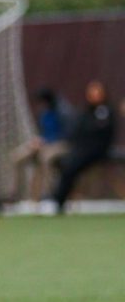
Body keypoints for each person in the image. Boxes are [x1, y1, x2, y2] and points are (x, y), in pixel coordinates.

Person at [0, 88, 72, 210]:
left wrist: (46, 142)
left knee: (45, 158)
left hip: (60, 145)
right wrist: (38, 141)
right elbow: (43, 132)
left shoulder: (63, 112)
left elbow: (67, 134)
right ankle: (13, 194)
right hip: (43, 144)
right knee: (16, 157)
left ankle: (48, 196)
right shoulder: (44, 114)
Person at [50, 80, 116, 214]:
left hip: (96, 151)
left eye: (97, 92)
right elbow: (77, 131)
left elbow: (102, 132)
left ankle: (57, 200)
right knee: (64, 163)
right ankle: (57, 198)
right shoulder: (85, 111)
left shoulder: (105, 111)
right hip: (81, 149)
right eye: (91, 92)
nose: (94, 95)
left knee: (71, 166)